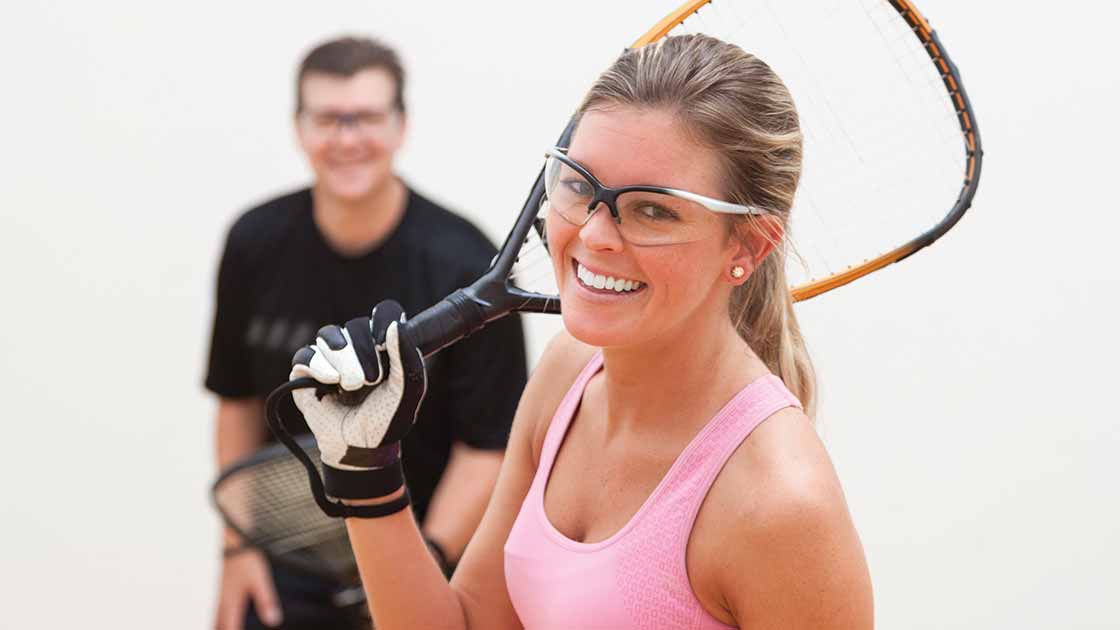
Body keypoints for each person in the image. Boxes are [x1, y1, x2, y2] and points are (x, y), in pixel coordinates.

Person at [288, 34, 873, 629]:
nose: (594, 236)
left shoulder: (782, 505)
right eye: (578, 184)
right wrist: (367, 476)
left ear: (748, 244)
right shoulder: (569, 372)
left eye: (653, 209)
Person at [205, 37, 527, 629]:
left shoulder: (464, 263)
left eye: (368, 118)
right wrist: (238, 549)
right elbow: (237, 404)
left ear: (401, 126)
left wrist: (417, 568)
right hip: (287, 567)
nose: (348, 138)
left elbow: (487, 448)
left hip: (426, 555)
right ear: (299, 128)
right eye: (328, 118)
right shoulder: (253, 243)